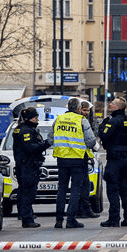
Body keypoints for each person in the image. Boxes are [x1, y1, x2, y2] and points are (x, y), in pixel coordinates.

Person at [97, 97, 127, 227]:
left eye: (112, 103)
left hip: (115, 159)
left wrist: (102, 126)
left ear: (118, 107)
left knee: (113, 189)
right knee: (126, 189)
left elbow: (104, 136)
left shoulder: (113, 122)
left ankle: (114, 218)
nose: (110, 105)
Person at [50, 98, 92, 230]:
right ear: (79, 109)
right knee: (75, 190)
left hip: (62, 159)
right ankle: (71, 219)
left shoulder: (58, 119)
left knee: (61, 189)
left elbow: (51, 138)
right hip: (77, 160)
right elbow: (90, 141)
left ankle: (58, 220)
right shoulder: (82, 120)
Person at [8, 108, 50, 227]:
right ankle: (27, 219)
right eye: (35, 117)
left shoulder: (24, 129)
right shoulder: (26, 131)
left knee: (23, 191)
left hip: (25, 165)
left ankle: (25, 214)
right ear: (28, 118)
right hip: (28, 166)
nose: (37, 119)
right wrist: (46, 143)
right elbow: (30, 148)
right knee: (28, 193)